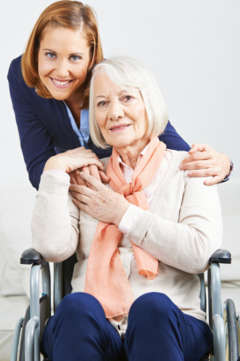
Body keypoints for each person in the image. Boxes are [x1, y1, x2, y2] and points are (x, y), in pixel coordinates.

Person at [32, 56, 222, 361]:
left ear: (150, 102)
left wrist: (122, 214)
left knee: (151, 307)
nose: (114, 112)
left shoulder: (189, 169)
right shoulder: (87, 175)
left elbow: (199, 252)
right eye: (103, 103)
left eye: (127, 98)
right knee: (76, 306)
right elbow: (52, 248)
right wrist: (54, 170)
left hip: (172, 322)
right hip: (94, 327)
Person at [8, 0, 231, 190]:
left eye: (74, 57)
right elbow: (39, 172)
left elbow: (171, 143)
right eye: (50, 54)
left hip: (132, 187)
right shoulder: (21, 77)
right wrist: (65, 163)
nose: (61, 71)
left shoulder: (111, 80)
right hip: (75, 193)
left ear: (91, 56)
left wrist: (223, 165)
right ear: (36, 50)